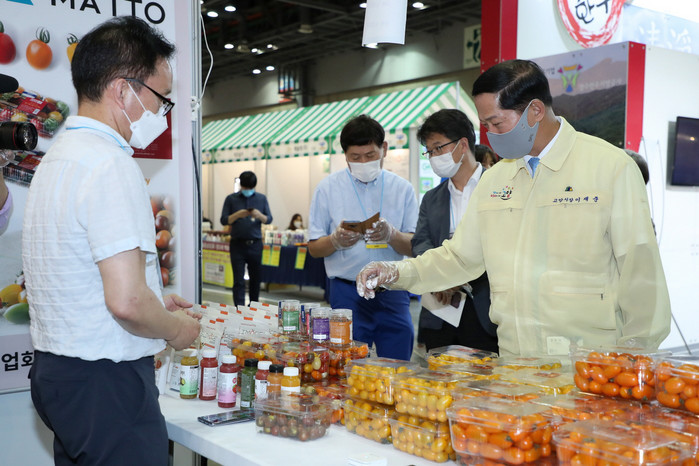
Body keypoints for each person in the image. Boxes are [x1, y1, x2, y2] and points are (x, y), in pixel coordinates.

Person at [356, 59, 670, 358]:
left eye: (496, 122)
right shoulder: (496, 180)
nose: (490, 134)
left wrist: (635, 356)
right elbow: (459, 258)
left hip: (588, 365)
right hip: (516, 363)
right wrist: (395, 272)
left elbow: (640, 272)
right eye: (485, 125)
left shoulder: (609, 168)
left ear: (535, 111)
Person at [22, 16, 201, 465]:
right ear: (124, 91)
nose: (163, 114)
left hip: (59, 374)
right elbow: (126, 302)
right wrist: (176, 330)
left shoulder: (57, 158)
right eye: (161, 98)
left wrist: (155, 298)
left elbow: (81, 274)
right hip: (106, 384)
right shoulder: (109, 164)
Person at [308, 114, 418, 360]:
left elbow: (414, 247)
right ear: (345, 155)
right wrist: (334, 241)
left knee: (398, 361)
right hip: (347, 291)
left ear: (384, 148)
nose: (363, 162)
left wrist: (391, 235)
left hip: (393, 288)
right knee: (347, 365)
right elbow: (314, 248)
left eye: (370, 155)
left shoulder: (403, 189)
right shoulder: (327, 189)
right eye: (355, 157)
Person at [413, 109, 498, 353]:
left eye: (438, 148)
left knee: (485, 375)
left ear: (462, 145)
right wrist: (440, 278)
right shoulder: (432, 198)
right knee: (439, 373)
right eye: (429, 151)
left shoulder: (498, 188)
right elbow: (421, 242)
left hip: (487, 310)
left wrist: (458, 276)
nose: (433, 157)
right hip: (441, 310)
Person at [220, 170, 272, 306]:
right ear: (241, 185)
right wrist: (237, 215)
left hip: (255, 244)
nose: (248, 190)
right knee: (238, 280)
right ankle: (239, 309)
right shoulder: (231, 199)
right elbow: (224, 220)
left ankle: (254, 308)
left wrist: (259, 215)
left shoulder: (261, 199)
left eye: (251, 188)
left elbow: (268, 219)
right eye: (245, 187)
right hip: (237, 245)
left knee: (255, 279)